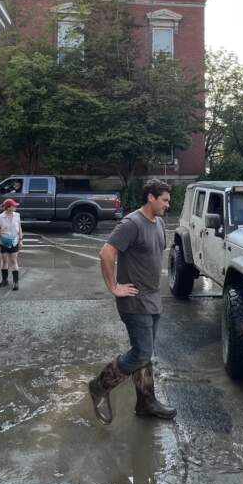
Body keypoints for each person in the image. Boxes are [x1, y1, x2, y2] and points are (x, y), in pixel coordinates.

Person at [88, 179, 176, 424]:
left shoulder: (158, 223)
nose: (167, 205)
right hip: (135, 301)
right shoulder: (131, 223)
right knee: (141, 352)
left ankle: (146, 402)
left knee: (145, 353)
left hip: (153, 299)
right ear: (150, 197)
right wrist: (114, 287)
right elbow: (106, 253)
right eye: (165, 200)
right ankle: (99, 386)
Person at [0, 199, 22, 290]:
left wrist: (21, 240)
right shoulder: (0, 217)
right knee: (4, 261)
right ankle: (4, 281)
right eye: (14, 206)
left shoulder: (17, 216)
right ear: (8, 207)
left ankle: (15, 282)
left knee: (13, 261)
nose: (15, 207)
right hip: (3, 242)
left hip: (14, 241)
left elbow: (20, 228)